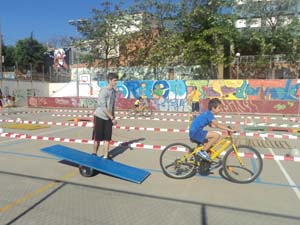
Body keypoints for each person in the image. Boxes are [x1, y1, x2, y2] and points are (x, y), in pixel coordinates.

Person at [92, 73, 118, 159]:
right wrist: (112, 117)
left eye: (116, 80)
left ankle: (105, 156)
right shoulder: (103, 91)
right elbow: (103, 107)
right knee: (98, 138)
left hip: (109, 118)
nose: (116, 82)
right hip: (99, 116)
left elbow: (112, 106)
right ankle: (94, 154)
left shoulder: (114, 92)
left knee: (107, 138)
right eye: (114, 80)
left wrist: (112, 117)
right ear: (110, 80)